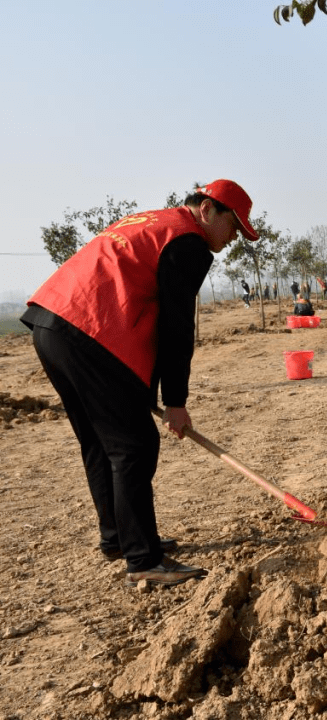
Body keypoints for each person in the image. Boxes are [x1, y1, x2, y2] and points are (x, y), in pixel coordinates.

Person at [21, 179, 259, 587]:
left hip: (51, 322)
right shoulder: (187, 242)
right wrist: (176, 400)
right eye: (233, 226)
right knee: (133, 445)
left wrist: (147, 393)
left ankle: (118, 538)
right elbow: (175, 327)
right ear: (207, 210)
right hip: (89, 332)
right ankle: (144, 559)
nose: (235, 237)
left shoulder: (153, 222)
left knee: (100, 440)